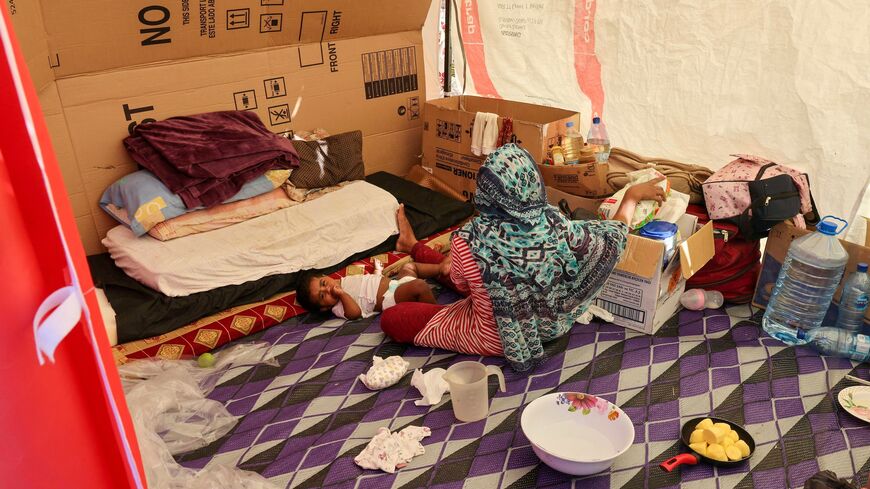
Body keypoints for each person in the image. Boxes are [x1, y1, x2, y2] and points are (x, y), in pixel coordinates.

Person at [381, 143, 666, 371]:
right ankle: (413, 246)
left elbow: (457, 281)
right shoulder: (557, 224)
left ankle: (412, 250)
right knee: (470, 272)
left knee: (394, 318)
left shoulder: (470, 239)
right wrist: (631, 197)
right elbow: (613, 236)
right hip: (551, 323)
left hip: (497, 334)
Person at [296, 253, 442, 320]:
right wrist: (342, 294)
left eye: (323, 283)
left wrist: (377, 271)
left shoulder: (344, 279)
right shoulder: (338, 306)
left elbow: (368, 283)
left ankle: (442, 268)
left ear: (324, 276)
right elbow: (355, 313)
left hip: (395, 284)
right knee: (419, 286)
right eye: (323, 296)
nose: (327, 289)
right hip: (391, 299)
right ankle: (439, 319)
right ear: (324, 308)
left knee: (409, 267)